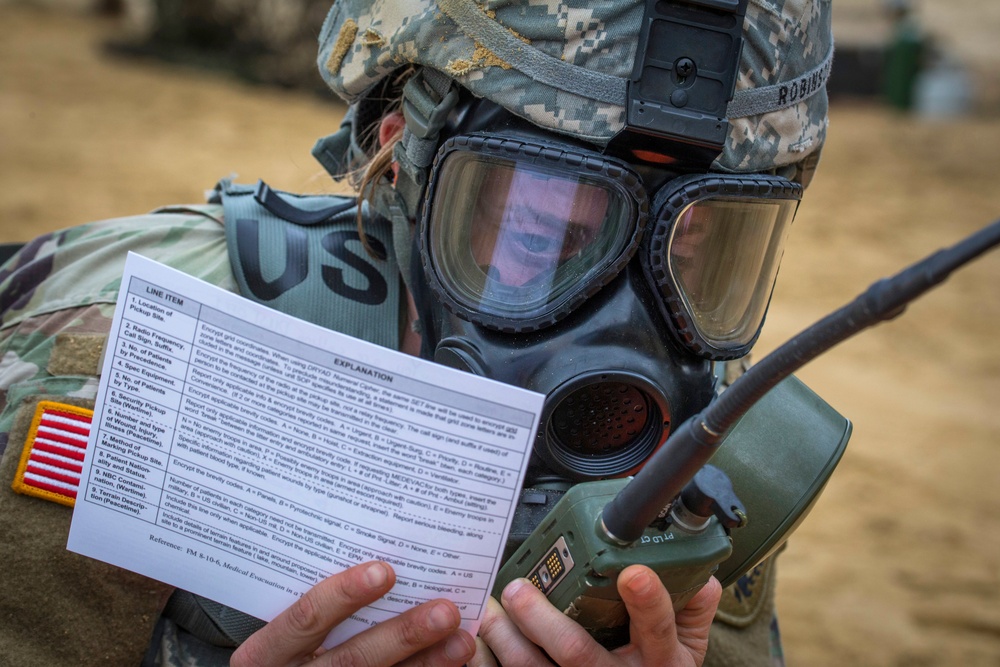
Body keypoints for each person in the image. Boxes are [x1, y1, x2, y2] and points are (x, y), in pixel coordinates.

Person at [0, 0, 833, 665]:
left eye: (693, 250)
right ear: (404, 162)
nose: (629, 333)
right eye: (540, 241)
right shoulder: (111, 371)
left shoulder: (709, 482)